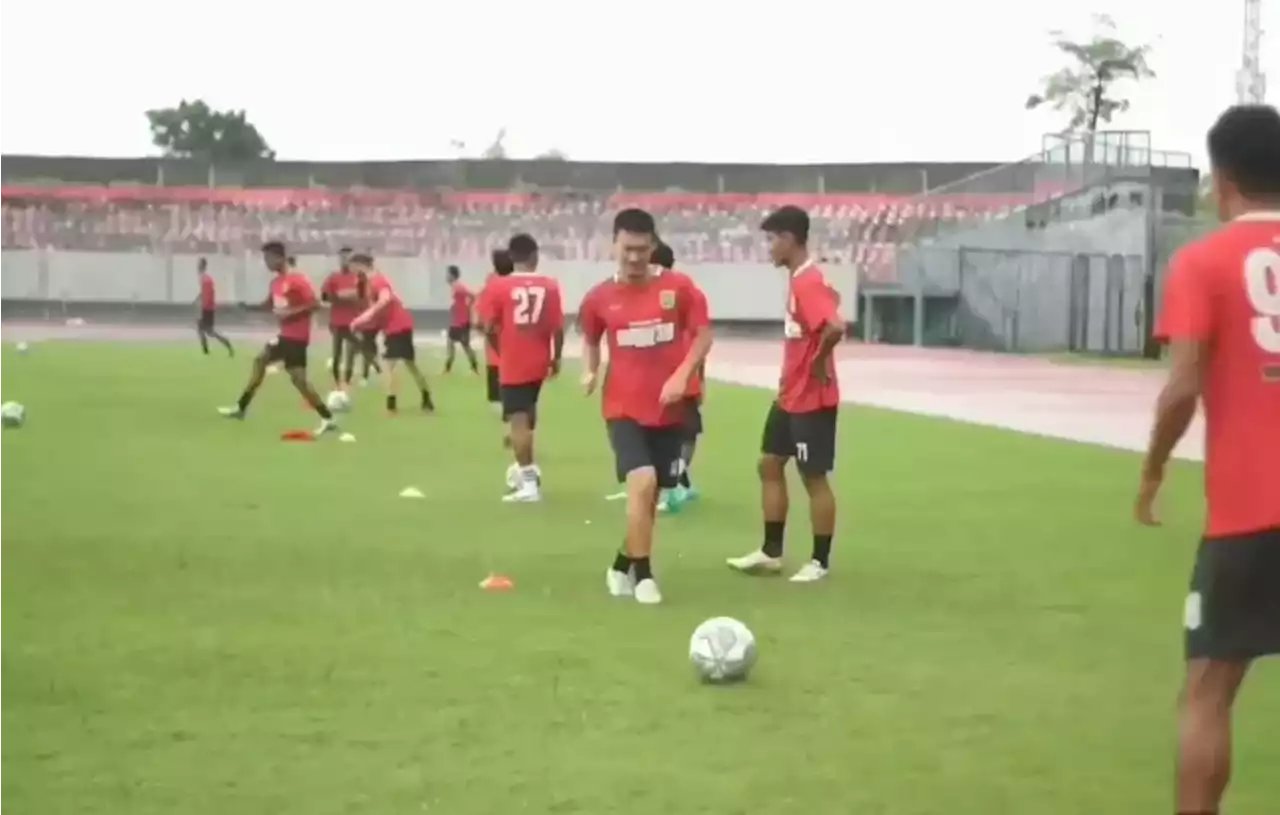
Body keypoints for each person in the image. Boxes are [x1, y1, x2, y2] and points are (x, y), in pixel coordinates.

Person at [1135, 103, 1280, 815]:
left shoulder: (1202, 261)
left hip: (1251, 515)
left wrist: (1153, 466)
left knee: (1207, 691)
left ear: (1221, 179)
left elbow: (1182, 386)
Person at [579, 208, 712, 605]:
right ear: (613, 246)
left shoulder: (680, 288)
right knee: (642, 482)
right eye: (626, 249)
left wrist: (682, 375)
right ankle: (644, 576)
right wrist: (590, 370)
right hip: (622, 408)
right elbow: (590, 339)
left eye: (641, 248)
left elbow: (704, 336)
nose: (634, 257)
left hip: (670, 410)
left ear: (653, 245)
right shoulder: (599, 298)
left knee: (649, 497)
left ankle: (621, 563)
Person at [726, 205, 844, 583]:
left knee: (814, 478)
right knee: (769, 463)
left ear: (790, 239)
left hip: (812, 400)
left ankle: (819, 562)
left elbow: (835, 326)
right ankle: (771, 552)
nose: (769, 247)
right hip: (789, 397)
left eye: (772, 239)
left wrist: (820, 361)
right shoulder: (798, 280)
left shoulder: (808, 282)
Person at [477, 234, 564, 502]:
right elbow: (557, 328)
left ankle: (528, 482)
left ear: (512, 257)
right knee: (527, 414)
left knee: (517, 422)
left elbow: (487, 326)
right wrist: (555, 357)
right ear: (535, 256)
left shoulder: (498, 286)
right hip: (539, 359)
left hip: (514, 360)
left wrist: (500, 349)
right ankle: (526, 471)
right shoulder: (550, 285)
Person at [218, 242, 338, 435]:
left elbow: (315, 304)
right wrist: (247, 308)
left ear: (280, 258)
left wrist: (291, 312)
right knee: (298, 380)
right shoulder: (276, 282)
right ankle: (328, 418)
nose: (266, 263)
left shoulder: (297, 280)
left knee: (264, 362)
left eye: (268, 258)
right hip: (286, 336)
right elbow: (269, 305)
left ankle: (241, 408)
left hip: (296, 337)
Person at [649, 240, 703, 514]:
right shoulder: (685, 286)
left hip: (667, 374)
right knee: (684, 433)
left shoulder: (657, 288)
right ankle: (675, 482)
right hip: (684, 375)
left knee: (676, 433)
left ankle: (675, 482)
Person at [348, 254, 435, 414]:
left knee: (389, 365)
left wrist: (360, 320)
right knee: (410, 365)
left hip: (398, 326)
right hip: (396, 326)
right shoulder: (370, 282)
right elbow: (378, 309)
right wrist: (363, 321)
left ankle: (391, 406)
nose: (352, 270)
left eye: (353, 266)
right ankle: (426, 398)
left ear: (361, 265)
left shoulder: (377, 280)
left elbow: (385, 299)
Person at [320, 247, 363, 389]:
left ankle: (348, 380)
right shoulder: (333, 277)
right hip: (337, 321)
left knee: (351, 351)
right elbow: (324, 296)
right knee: (337, 353)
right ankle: (338, 382)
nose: (345, 260)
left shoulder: (358, 277)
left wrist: (346, 296)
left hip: (353, 321)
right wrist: (340, 296)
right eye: (342, 257)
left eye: (348, 257)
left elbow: (362, 295)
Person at [480, 249, 515, 415]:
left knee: (498, 402)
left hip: (497, 353)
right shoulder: (516, 285)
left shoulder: (492, 286)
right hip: (517, 353)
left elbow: (482, 321)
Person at [445, 265, 480, 374]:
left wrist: (467, 307)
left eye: (447, 274)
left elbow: (473, 296)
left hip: (459, 322)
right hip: (460, 320)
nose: (446, 276)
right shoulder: (456, 287)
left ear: (452, 275)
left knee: (453, 344)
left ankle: (448, 369)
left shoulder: (458, 287)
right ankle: (474, 368)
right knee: (464, 345)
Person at [194, 257, 233, 357]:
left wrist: (202, 307)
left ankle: (209, 348)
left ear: (202, 266)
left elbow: (208, 294)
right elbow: (206, 293)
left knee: (207, 331)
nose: (197, 266)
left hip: (207, 309)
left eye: (199, 264)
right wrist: (198, 298)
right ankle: (207, 349)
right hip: (208, 308)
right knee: (204, 330)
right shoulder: (205, 278)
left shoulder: (205, 279)